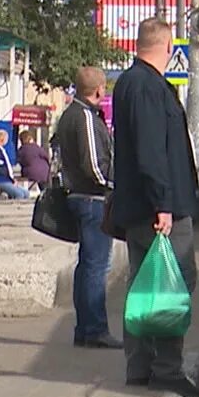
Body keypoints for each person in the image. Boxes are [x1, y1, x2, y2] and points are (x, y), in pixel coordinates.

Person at [110, 18, 199, 397]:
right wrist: (163, 203)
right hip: (158, 211)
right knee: (173, 283)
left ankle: (140, 364)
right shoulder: (149, 87)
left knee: (144, 284)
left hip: (139, 208)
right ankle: (166, 367)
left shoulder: (130, 83)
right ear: (167, 46)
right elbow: (152, 152)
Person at [54, 66, 119, 349]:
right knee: (96, 266)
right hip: (92, 199)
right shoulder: (85, 117)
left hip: (79, 196)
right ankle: (94, 329)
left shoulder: (70, 114)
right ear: (98, 90)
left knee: (87, 265)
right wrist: (112, 184)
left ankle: (85, 328)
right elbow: (93, 163)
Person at [0, 128, 29, 199]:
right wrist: (11, 179)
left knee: (26, 193)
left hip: (5, 179)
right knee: (19, 194)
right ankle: (15, 208)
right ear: (2, 139)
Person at [16, 128, 52, 192]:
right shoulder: (36, 147)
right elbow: (46, 156)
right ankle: (45, 193)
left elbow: (20, 162)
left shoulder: (21, 150)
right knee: (45, 185)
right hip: (44, 173)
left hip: (29, 173)